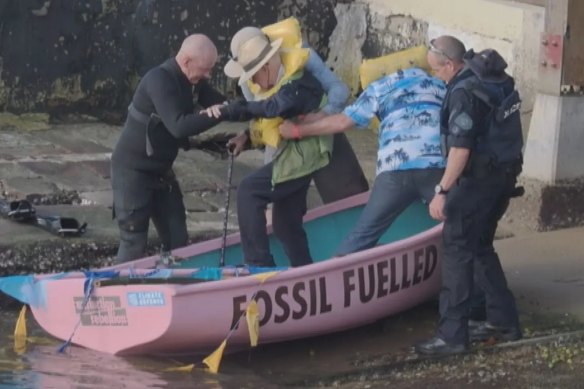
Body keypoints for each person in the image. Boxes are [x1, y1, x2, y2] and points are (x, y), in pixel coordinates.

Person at [415, 36, 524, 356]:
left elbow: (461, 149)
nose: (436, 76)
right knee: (480, 247)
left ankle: (452, 336)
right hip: (503, 177)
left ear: (450, 64)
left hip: (478, 181)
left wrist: (442, 190)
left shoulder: (463, 93)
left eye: (436, 70)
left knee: (457, 250)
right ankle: (503, 322)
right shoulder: (491, 76)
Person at [280, 66, 446, 255]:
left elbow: (343, 122)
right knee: (462, 225)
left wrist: (298, 131)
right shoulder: (440, 86)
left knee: (362, 235)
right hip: (435, 168)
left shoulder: (381, 86)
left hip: (394, 170)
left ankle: (339, 266)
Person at [208, 28, 333, 268]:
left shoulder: (297, 82)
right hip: (294, 155)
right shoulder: (275, 82)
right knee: (285, 224)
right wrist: (247, 138)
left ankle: (258, 265)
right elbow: (270, 123)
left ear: (265, 67)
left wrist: (233, 109)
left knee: (249, 191)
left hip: (304, 157)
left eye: (254, 76)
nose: (254, 83)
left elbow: (275, 107)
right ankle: (306, 272)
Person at [110, 34, 227, 263]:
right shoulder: (159, 80)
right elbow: (179, 127)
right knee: (133, 242)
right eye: (205, 69)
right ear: (186, 61)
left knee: (177, 240)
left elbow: (223, 104)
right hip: (132, 173)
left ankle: (173, 287)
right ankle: (116, 290)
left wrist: (254, 109)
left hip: (162, 173)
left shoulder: (195, 81)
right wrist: (216, 115)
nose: (208, 75)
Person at [231, 24, 369, 204]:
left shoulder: (301, 53)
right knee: (278, 206)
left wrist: (322, 115)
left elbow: (340, 90)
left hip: (319, 129)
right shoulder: (246, 79)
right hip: (282, 138)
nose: (255, 79)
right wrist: (247, 137)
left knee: (351, 199)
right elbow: (260, 119)